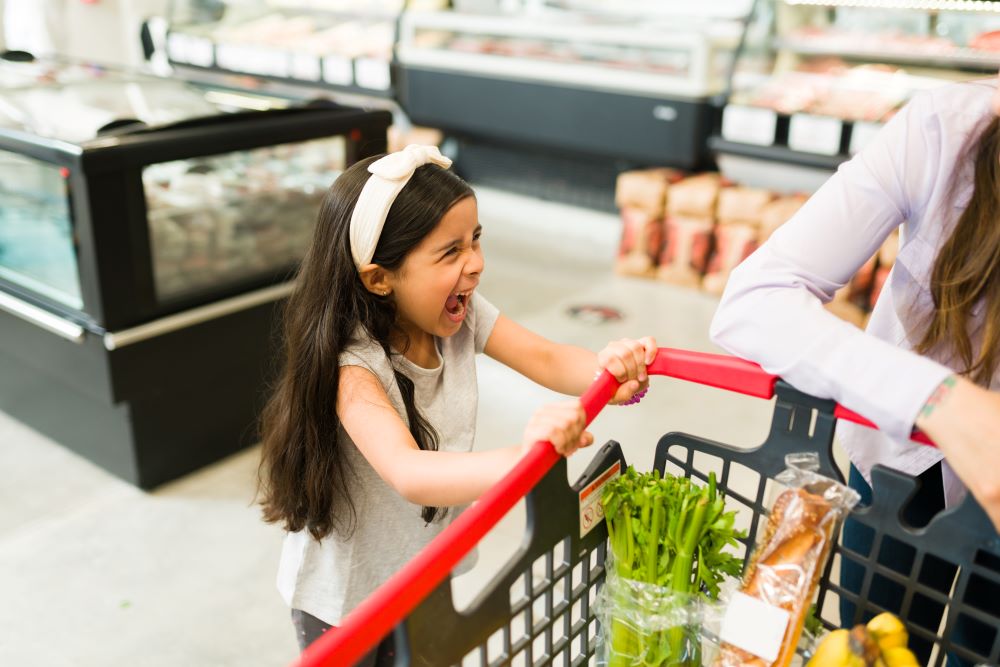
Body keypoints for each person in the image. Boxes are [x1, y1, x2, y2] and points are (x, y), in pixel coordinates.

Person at [256, 145, 657, 663]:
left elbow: (545, 356)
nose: (476, 264)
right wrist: (526, 456)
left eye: (476, 240)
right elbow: (410, 472)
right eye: (451, 253)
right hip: (346, 600)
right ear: (380, 278)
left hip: (423, 572)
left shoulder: (460, 319)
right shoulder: (353, 368)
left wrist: (610, 371)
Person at [710, 75, 1000, 665]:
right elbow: (754, 300)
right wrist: (937, 398)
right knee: (875, 640)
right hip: (899, 461)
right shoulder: (948, 127)